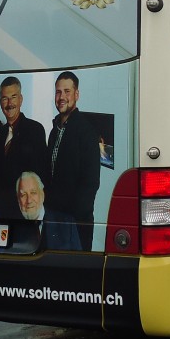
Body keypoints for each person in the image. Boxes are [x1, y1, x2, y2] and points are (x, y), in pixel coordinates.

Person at [45, 71, 101, 251]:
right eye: (58, 92)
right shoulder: (55, 130)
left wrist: (73, 218)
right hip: (54, 217)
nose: (62, 97)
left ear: (76, 94)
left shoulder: (87, 132)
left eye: (67, 91)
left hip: (75, 222)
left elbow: (91, 183)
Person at [0, 76, 46, 220]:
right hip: (2, 212)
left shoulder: (35, 130)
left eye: (13, 97)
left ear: (21, 99)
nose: (9, 103)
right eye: (4, 98)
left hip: (25, 212)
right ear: (0, 102)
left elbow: (42, 174)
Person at [18, 170, 81, 251]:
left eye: (33, 192)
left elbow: (77, 261)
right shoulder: (13, 228)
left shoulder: (67, 225)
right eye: (23, 195)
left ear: (42, 194)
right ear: (18, 199)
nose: (29, 200)